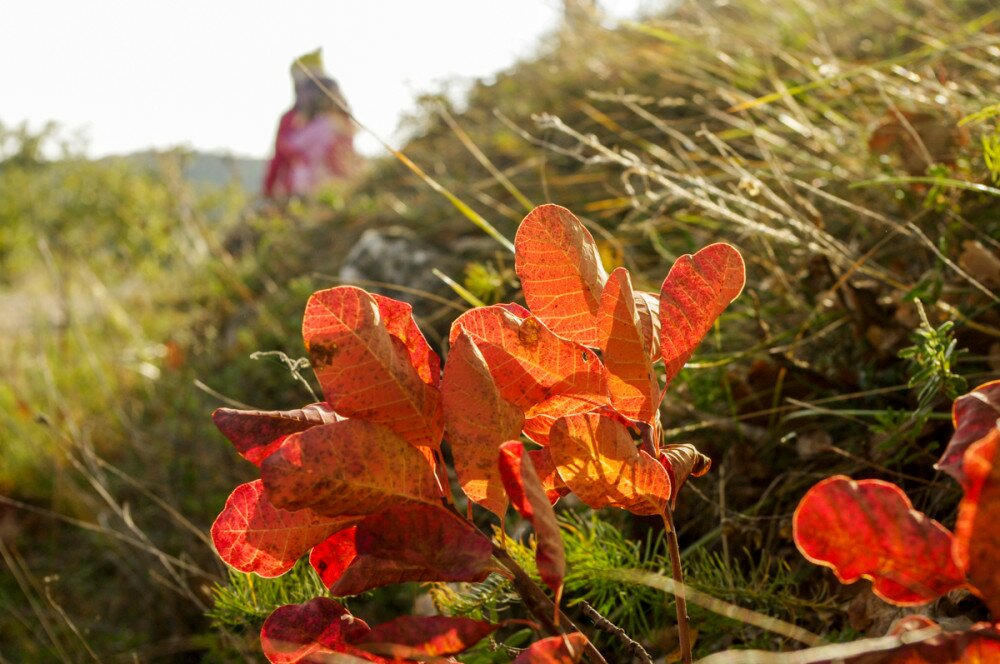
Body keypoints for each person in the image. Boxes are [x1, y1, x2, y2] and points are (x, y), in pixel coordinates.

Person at [262, 49, 360, 199]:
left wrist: (269, 189)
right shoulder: (343, 123)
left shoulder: (294, 121)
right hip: (336, 189)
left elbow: (282, 155)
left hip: (306, 190)